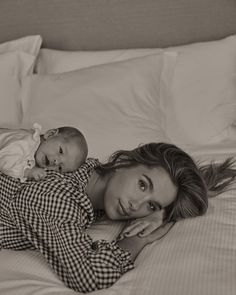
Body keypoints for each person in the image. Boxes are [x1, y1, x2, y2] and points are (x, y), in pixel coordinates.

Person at [1, 142, 236, 293]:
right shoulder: (56, 197)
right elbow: (88, 275)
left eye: (151, 204)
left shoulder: (83, 172)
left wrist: (162, 214)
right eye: (142, 185)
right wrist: (139, 239)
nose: (136, 205)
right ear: (122, 163)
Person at [0, 123, 88, 181]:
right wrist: (27, 172)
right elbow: (5, 160)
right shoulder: (26, 141)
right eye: (60, 151)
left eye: (60, 168)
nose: (56, 162)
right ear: (50, 134)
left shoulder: (36, 158)